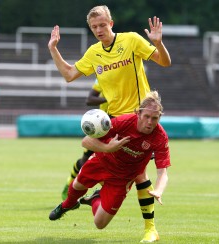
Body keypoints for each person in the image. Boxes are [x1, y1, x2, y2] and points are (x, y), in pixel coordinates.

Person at [48, 5, 171, 242]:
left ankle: (150, 229)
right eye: (94, 27)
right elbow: (69, 74)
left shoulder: (132, 41)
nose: (98, 30)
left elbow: (164, 62)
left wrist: (158, 42)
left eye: (102, 25)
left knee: (139, 173)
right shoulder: (94, 53)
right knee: (97, 159)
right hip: (113, 121)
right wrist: (53, 49)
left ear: (111, 24)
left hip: (141, 116)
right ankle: (93, 197)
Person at [49, 91, 171, 242]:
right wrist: (108, 148)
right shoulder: (123, 122)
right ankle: (67, 205)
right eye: (146, 116)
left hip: (123, 178)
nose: (150, 122)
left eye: (155, 118)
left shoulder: (160, 136)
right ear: (138, 114)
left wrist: (159, 190)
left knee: (99, 224)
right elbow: (86, 141)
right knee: (78, 185)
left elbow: (162, 172)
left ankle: (95, 199)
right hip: (102, 162)